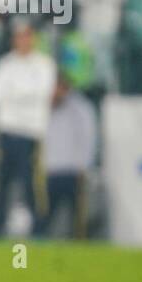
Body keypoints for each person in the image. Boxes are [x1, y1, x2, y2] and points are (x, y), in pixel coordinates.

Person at [0, 22, 57, 236]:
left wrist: (14, 95)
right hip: (5, 131)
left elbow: (43, 93)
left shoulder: (44, 65)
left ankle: (38, 230)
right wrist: (26, 96)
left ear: (33, 38)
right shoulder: (5, 64)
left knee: (32, 185)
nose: (23, 40)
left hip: (32, 133)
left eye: (27, 36)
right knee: (1, 182)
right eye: (19, 36)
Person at [39, 75, 97, 239]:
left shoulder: (81, 108)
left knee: (77, 217)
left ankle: (79, 243)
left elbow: (88, 139)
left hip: (73, 172)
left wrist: (84, 166)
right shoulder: (43, 107)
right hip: (49, 172)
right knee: (43, 217)